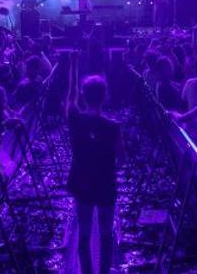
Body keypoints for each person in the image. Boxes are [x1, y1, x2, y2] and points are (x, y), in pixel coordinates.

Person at [66, 53, 123, 274]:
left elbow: (70, 96)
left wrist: (73, 67)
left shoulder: (75, 120)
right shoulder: (113, 127)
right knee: (106, 233)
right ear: (104, 97)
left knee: (84, 233)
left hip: (82, 180)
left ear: (84, 95)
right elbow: (121, 159)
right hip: (106, 182)